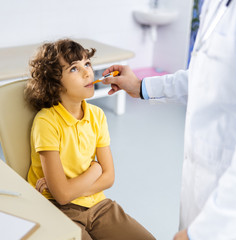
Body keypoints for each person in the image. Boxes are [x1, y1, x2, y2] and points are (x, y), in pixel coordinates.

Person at [101, 1, 236, 239]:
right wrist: (140, 86)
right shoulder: (214, 6)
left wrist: (200, 233)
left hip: (233, 213)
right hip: (200, 188)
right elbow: (204, 78)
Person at [24, 39, 155, 240]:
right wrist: (95, 169)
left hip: (98, 205)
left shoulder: (97, 116)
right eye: (74, 69)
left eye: (87, 64)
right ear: (54, 82)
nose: (87, 73)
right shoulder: (46, 122)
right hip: (60, 210)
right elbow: (62, 196)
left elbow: (109, 177)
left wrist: (72, 188)